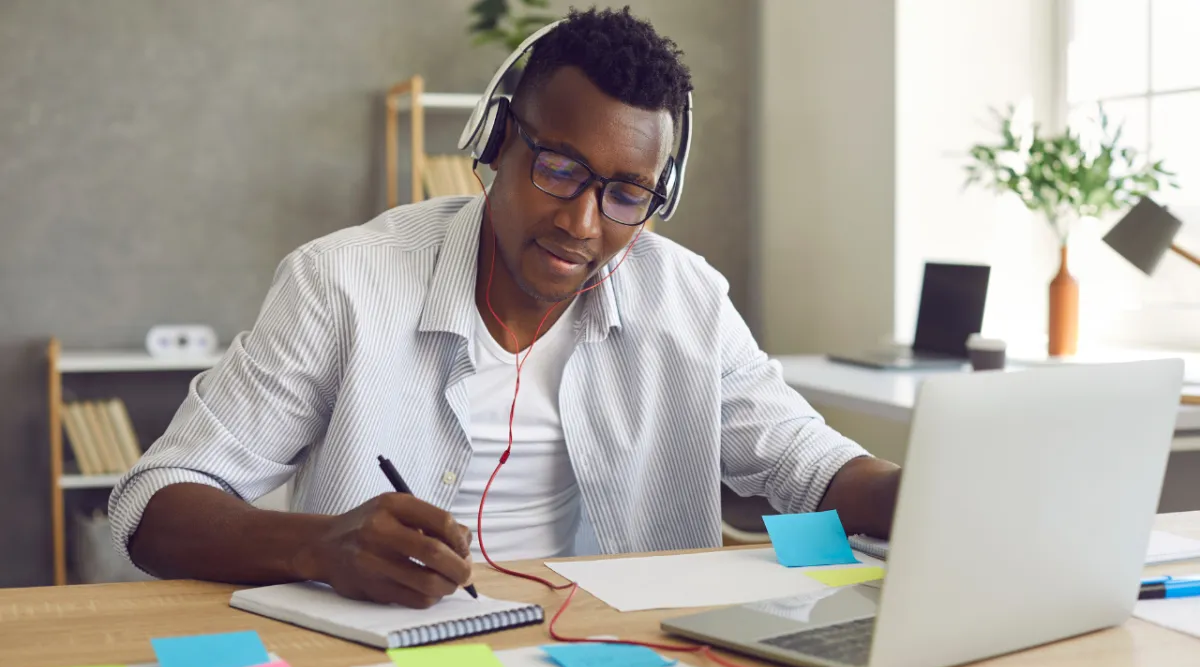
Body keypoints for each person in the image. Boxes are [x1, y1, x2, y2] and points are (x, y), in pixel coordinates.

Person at [110, 7, 901, 610]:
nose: (583, 223)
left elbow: (807, 465)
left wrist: (922, 491)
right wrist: (321, 544)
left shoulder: (687, 299)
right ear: (494, 144)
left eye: (627, 194)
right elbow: (153, 503)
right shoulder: (344, 282)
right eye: (559, 168)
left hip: (609, 647)